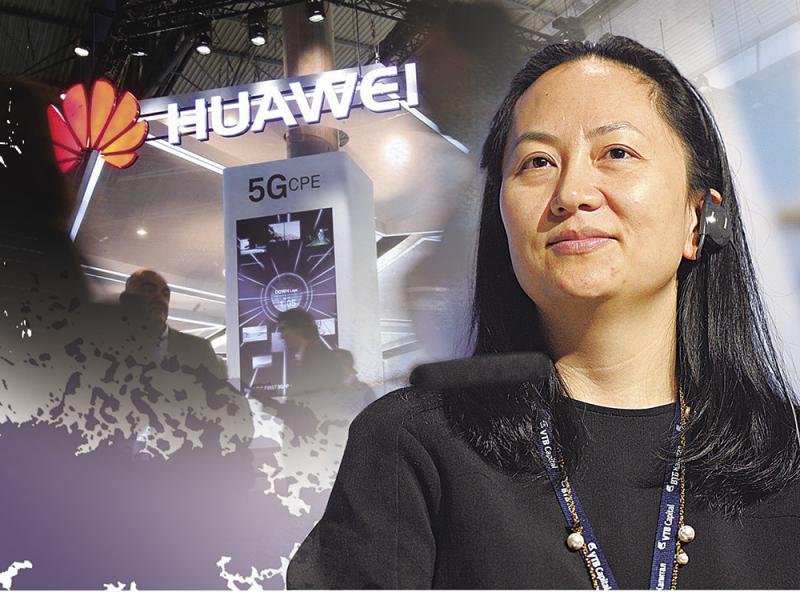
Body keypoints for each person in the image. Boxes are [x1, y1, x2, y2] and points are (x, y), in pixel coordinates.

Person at [287, 36, 800, 589]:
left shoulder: (787, 452)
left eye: (616, 153)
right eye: (537, 162)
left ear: (699, 218)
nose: (572, 192)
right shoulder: (412, 445)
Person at [121, 268, 226, 377]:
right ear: (125, 299)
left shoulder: (199, 349)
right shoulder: (112, 344)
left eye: (165, 293)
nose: (160, 298)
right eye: (149, 290)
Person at [277, 308, 343, 394]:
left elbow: (318, 393)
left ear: (298, 328)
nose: (281, 336)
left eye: (284, 329)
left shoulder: (318, 356)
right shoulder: (312, 352)